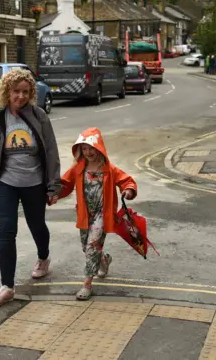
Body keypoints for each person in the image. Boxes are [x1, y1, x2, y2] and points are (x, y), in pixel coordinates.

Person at [0, 69, 61, 306]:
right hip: (6, 183)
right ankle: (7, 286)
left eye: (26, 92)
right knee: (6, 230)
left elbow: (52, 151)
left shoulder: (39, 116)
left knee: (37, 225)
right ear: (6, 92)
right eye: (16, 91)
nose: (21, 96)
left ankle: (43, 258)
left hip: (34, 183)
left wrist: (53, 186)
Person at [54, 127, 137, 301]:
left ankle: (87, 284)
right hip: (85, 214)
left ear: (99, 147)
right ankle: (104, 260)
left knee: (92, 246)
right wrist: (54, 193)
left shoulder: (109, 169)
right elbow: (65, 184)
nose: (88, 152)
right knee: (86, 246)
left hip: (102, 214)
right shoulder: (78, 168)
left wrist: (128, 190)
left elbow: (126, 180)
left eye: (91, 148)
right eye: (84, 149)